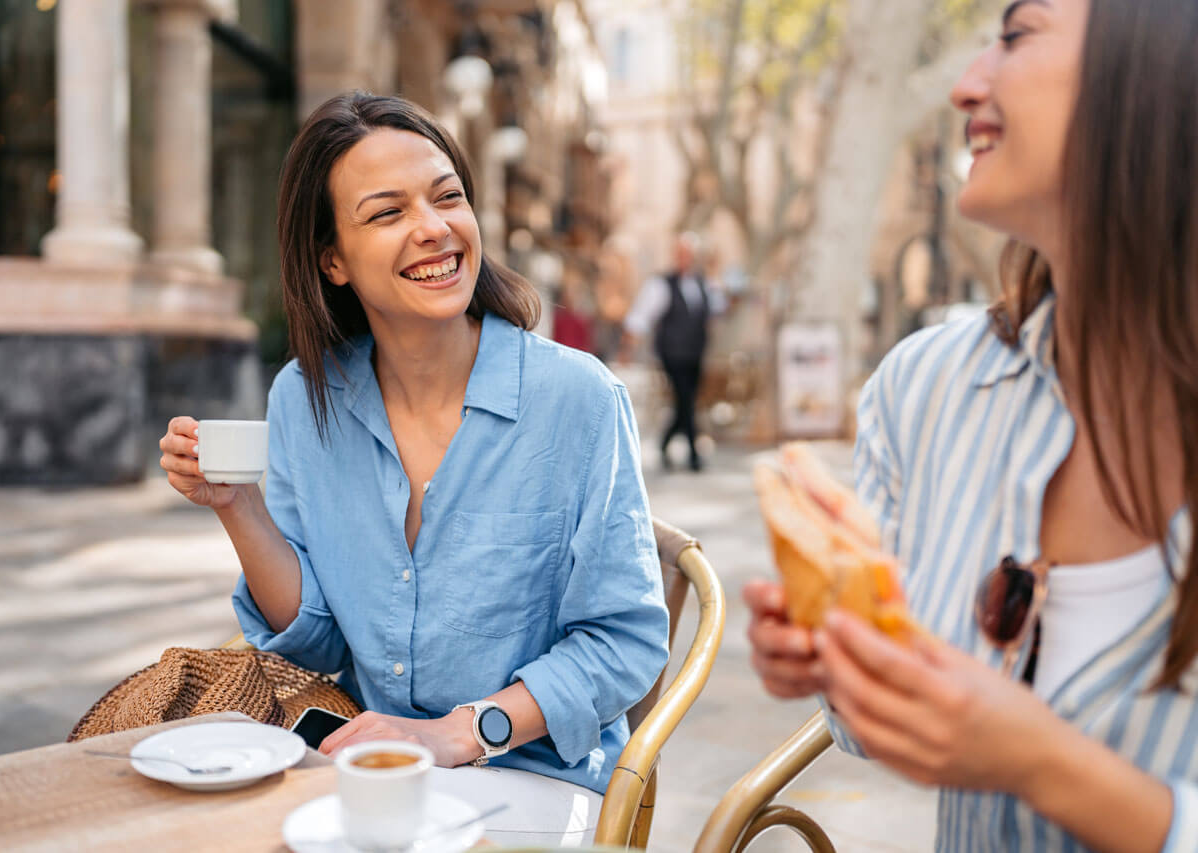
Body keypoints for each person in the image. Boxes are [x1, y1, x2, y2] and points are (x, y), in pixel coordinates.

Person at [745, 1, 1198, 850]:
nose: (964, 86)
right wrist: (847, 661)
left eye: (1018, 36)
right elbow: (865, 730)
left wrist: (1044, 763)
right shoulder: (923, 389)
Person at [159, 92, 669, 845]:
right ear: (331, 258)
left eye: (447, 196)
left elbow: (624, 643)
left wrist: (463, 731)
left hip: (534, 775)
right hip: (364, 766)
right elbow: (316, 643)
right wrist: (237, 505)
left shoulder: (578, 399)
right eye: (387, 212)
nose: (434, 228)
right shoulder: (305, 398)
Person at [621, 233, 725, 472]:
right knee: (685, 398)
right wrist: (628, 346)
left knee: (686, 402)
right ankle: (694, 454)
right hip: (672, 353)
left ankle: (665, 442)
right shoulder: (661, 283)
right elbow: (641, 315)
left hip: (696, 352)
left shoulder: (704, 283)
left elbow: (717, 309)